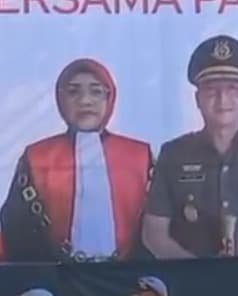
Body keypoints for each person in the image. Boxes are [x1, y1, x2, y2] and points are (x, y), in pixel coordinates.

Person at [143, 35, 238, 257]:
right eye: (212, 90)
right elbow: (154, 233)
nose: (222, 100)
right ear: (198, 98)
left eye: (232, 89)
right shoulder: (174, 154)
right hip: (192, 285)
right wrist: (199, 275)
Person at [1, 58, 151, 261]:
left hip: (127, 278)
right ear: (60, 100)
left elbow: (156, 226)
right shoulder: (37, 157)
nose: (85, 101)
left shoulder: (139, 155)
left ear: (110, 98)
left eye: (96, 91)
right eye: (73, 92)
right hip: (59, 278)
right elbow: (15, 227)